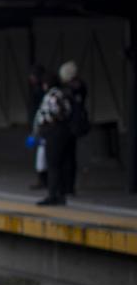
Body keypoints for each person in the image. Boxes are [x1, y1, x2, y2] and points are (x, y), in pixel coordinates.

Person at [34, 72, 73, 205]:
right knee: (61, 164)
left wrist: (45, 125)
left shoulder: (51, 96)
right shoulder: (63, 94)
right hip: (63, 132)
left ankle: (52, 195)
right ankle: (61, 194)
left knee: (53, 165)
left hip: (53, 133)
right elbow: (67, 111)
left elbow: (51, 113)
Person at [59, 60, 88, 195]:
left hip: (69, 126)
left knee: (66, 157)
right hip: (74, 125)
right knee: (70, 157)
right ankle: (69, 186)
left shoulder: (71, 90)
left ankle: (67, 186)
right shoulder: (80, 87)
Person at [26, 64, 47, 190]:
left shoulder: (39, 91)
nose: (30, 78)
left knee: (41, 154)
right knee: (41, 153)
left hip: (40, 126)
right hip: (38, 125)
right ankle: (43, 178)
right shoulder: (39, 90)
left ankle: (43, 179)